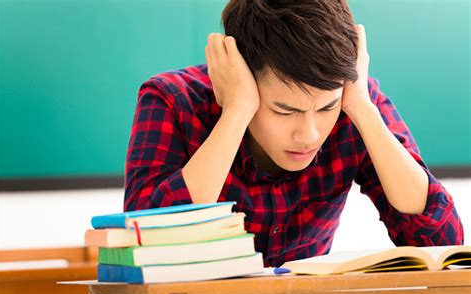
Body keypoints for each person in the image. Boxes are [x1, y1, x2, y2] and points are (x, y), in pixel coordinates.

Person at [123, 0, 463, 267]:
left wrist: (362, 110)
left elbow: (441, 244)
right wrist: (237, 112)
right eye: (284, 111)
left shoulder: (355, 101)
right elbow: (146, 246)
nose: (309, 134)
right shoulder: (172, 100)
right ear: (241, 73)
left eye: (326, 108)